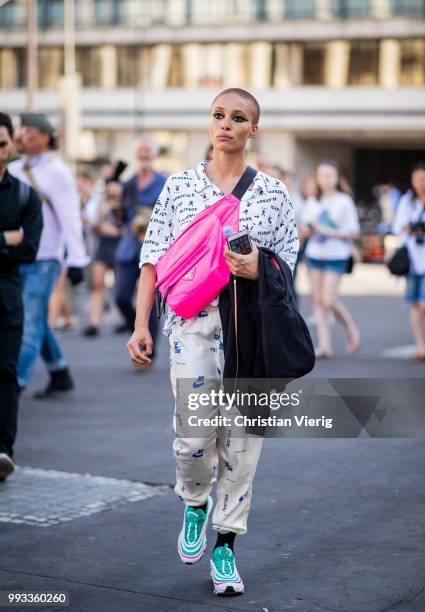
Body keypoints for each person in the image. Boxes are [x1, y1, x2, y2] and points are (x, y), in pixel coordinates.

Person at [127, 88, 298, 596]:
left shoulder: (273, 194)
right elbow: (153, 257)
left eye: (238, 117)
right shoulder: (179, 186)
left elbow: (288, 266)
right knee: (195, 438)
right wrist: (141, 325)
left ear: (253, 129)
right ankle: (195, 501)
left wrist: (257, 267)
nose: (226, 124)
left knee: (243, 445)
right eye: (219, 115)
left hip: (252, 332)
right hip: (193, 326)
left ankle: (226, 545)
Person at [8, 113, 89, 399]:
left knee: (27, 325)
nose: (23, 135)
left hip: (44, 259)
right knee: (37, 321)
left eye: (30, 130)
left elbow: (70, 218)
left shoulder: (57, 172)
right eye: (21, 130)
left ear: (45, 136)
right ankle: (59, 372)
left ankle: (12, 386)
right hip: (15, 257)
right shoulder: (14, 169)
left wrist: (77, 261)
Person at [0, 112, 43, 481]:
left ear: (11, 145)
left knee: (6, 373)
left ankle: (3, 451)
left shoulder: (26, 195)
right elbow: (14, 243)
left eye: (1, 144)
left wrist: (16, 241)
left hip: (6, 298)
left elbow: (29, 249)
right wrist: (4, 238)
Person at [302, 160, 361, 358]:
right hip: (314, 255)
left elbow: (353, 233)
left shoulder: (344, 201)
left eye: (329, 175)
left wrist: (327, 231)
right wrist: (308, 230)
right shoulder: (312, 201)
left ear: (337, 177)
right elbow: (307, 228)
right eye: (322, 175)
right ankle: (325, 345)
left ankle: (351, 328)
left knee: (328, 300)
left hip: (336, 256)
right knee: (318, 301)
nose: (325, 180)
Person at [114, 138, 166, 358]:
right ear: (136, 155)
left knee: (150, 303)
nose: (144, 154)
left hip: (155, 248)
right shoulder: (128, 184)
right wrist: (114, 201)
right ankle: (136, 329)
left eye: (148, 151)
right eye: (141, 151)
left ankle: (147, 348)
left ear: (154, 155)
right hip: (129, 247)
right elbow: (120, 218)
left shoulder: (164, 181)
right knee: (121, 297)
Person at [392, 162, 425, 362]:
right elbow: (397, 227)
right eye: (417, 180)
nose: (420, 183)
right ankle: (420, 347)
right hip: (413, 260)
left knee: (424, 305)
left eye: (423, 179)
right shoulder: (408, 201)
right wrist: (410, 228)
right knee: (414, 304)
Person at [83, 181, 124, 336]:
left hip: (120, 245)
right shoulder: (101, 202)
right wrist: (104, 213)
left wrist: (118, 232)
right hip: (103, 245)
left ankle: (124, 319)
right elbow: (93, 223)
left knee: (120, 286)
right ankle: (94, 323)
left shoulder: (126, 202)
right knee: (98, 284)